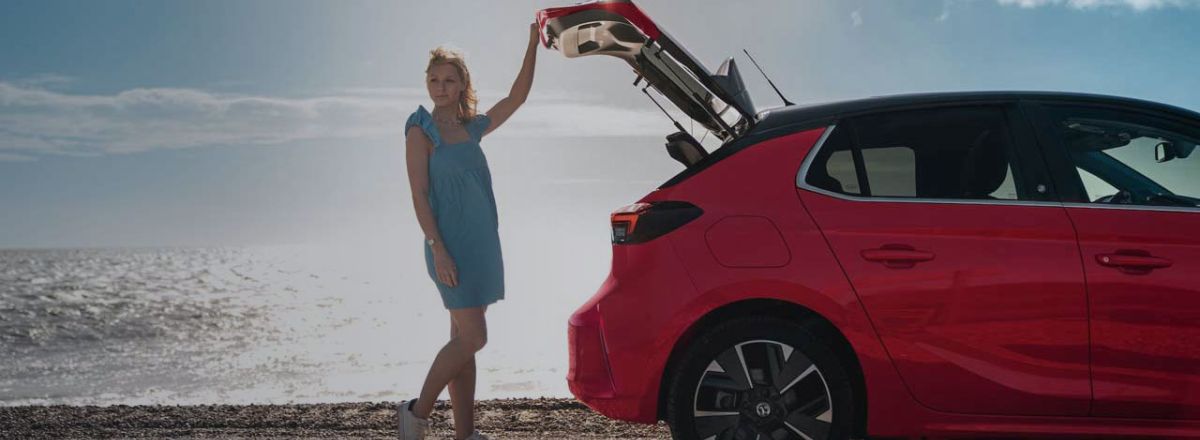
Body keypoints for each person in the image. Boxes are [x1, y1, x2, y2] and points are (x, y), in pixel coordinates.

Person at [396, 22, 538, 440]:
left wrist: (532, 44)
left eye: (448, 80)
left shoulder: (472, 127)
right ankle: (415, 414)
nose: (440, 87)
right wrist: (437, 248)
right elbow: (419, 194)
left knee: (463, 341)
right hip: (448, 246)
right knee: (475, 337)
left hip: (482, 245)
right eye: (434, 80)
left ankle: (465, 434)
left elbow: (516, 97)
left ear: (461, 85)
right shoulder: (420, 129)